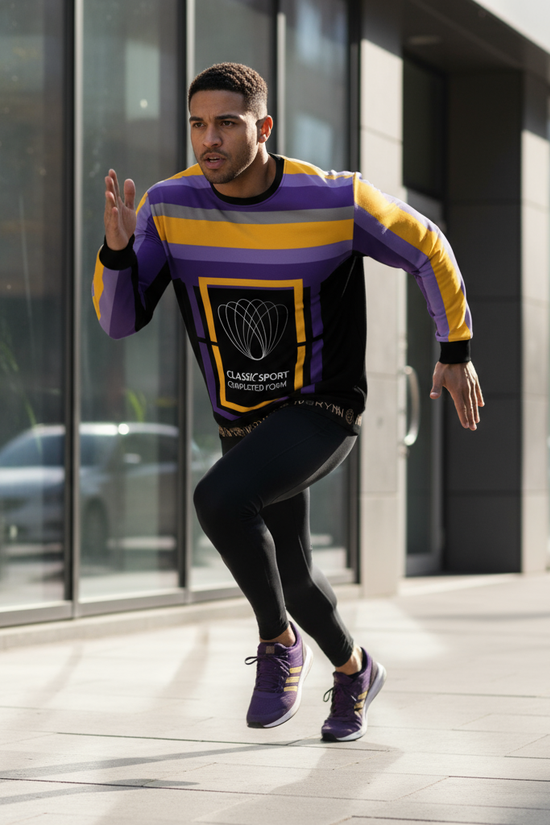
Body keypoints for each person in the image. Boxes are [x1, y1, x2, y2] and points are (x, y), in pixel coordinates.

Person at [93, 62, 484, 742]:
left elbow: (427, 245)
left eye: (226, 123)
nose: (208, 139)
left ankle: (279, 643)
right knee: (298, 576)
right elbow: (120, 321)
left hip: (323, 407)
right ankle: (354, 668)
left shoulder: (335, 200)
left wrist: (454, 349)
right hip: (240, 421)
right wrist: (119, 252)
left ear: (263, 127)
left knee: (217, 499)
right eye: (196, 124)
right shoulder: (169, 206)